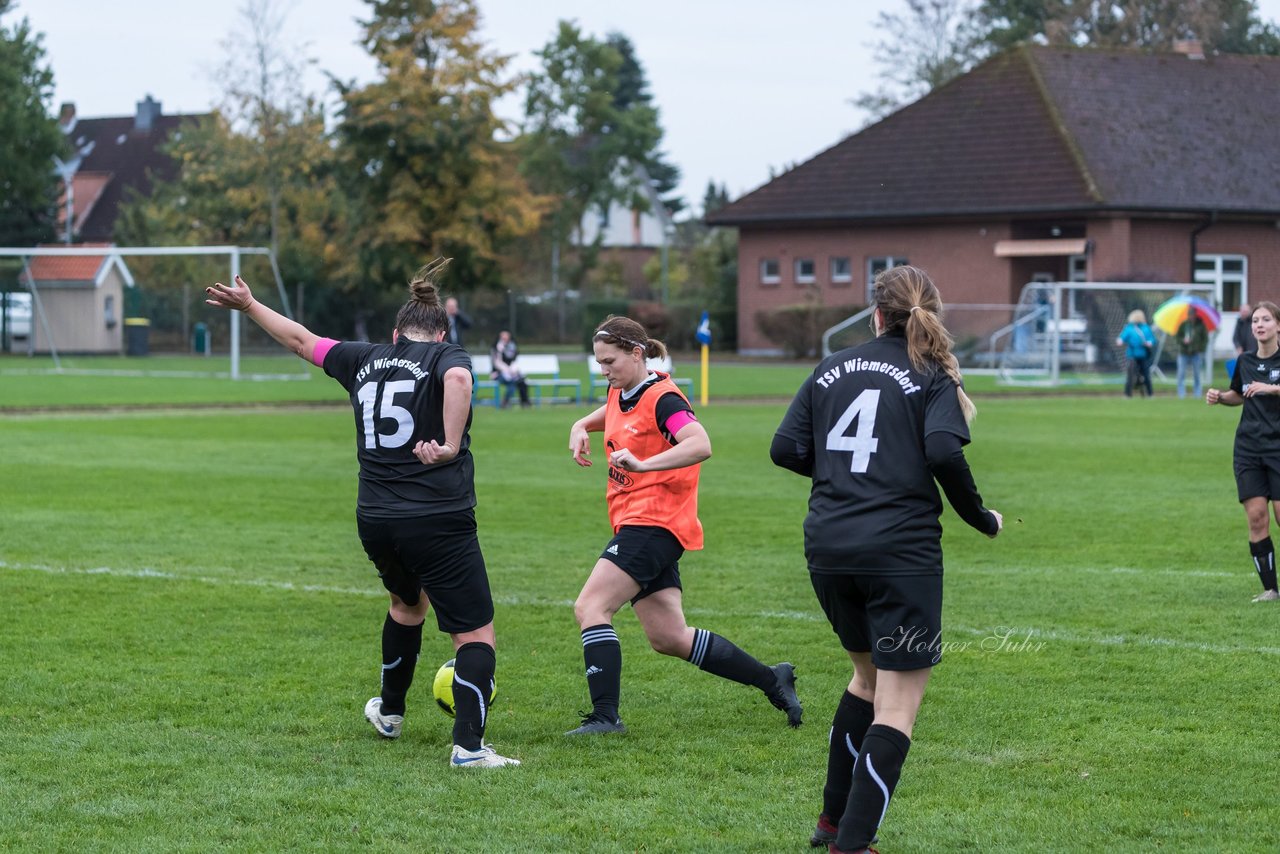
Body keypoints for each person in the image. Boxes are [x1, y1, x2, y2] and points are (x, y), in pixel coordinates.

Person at [204, 260, 519, 768]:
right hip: (437, 516)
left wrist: (250, 305)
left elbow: (302, 342)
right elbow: (459, 378)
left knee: (406, 605)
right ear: (440, 333)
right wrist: (450, 446)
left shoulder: (365, 358)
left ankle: (390, 713)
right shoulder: (447, 354)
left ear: (395, 334)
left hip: (375, 517)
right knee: (475, 634)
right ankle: (469, 749)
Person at [771, 265, 1001, 854]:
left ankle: (830, 825)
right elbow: (945, 450)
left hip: (827, 547)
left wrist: (843, 478)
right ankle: (853, 844)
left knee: (866, 680)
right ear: (931, 316)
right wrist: (980, 518)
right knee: (898, 704)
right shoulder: (931, 374)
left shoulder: (830, 368)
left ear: (875, 314)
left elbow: (785, 448)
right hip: (899, 552)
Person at [565, 314, 803, 736]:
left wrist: (644, 464)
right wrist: (581, 423)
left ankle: (606, 718)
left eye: (611, 361)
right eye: (600, 362)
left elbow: (699, 443)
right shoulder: (623, 388)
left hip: (654, 522)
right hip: (635, 523)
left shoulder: (666, 399)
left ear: (637, 353)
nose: (604, 370)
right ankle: (773, 679)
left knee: (591, 607)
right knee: (669, 637)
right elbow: (617, 410)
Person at [1206, 300, 1280, 603]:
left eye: (1265, 320)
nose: (1259, 325)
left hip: (1278, 447)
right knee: (1257, 517)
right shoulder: (1245, 361)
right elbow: (1239, 394)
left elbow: (1262, 389)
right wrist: (1221, 397)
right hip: (1248, 448)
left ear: (1278, 325)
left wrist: (1270, 388)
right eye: (1255, 321)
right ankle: (1271, 590)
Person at [1116, 309, 1156, 397]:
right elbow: (1122, 338)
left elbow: (1152, 340)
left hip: (1141, 355)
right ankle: (1148, 394)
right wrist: (1120, 341)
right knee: (1137, 375)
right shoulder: (1130, 328)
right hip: (1133, 355)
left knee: (1143, 375)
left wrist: (1149, 343)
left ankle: (1130, 394)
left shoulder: (1143, 328)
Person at [491, 330, 531, 408]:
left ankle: (525, 402)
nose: (505, 338)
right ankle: (505, 402)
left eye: (506, 336)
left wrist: (513, 370)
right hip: (498, 373)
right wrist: (508, 370)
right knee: (512, 382)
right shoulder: (496, 348)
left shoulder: (512, 346)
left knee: (522, 381)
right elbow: (497, 363)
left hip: (512, 372)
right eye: (503, 336)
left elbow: (514, 361)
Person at [1175, 311, 1209, 399]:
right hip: (1183, 353)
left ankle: (1197, 394)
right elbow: (1177, 337)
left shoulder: (1201, 325)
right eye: (1189, 315)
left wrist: (1200, 348)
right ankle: (1181, 394)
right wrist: (1183, 341)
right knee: (1181, 373)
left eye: (1192, 315)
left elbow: (1205, 339)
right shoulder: (1184, 325)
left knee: (1197, 374)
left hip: (1196, 353)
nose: (1191, 317)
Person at [1228, 302, 1257, 381]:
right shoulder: (1239, 322)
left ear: (1249, 311)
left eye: (1246, 311)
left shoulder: (1254, 322)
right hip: (1243, 353)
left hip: (1255, 351)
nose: (1244, 313)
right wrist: (1238, 347)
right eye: (1242, 311)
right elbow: (1235, 337)